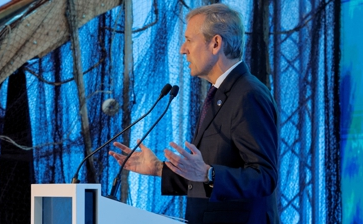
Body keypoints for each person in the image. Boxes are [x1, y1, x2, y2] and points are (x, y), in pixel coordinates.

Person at [109, 3, 279, 224]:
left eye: (189, 39)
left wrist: (209, 173)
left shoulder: (248, 95)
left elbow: (264, 177)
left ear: (216, 43)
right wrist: (159, 169)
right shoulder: (219, 94)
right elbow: (209, 184)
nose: (182, 49)